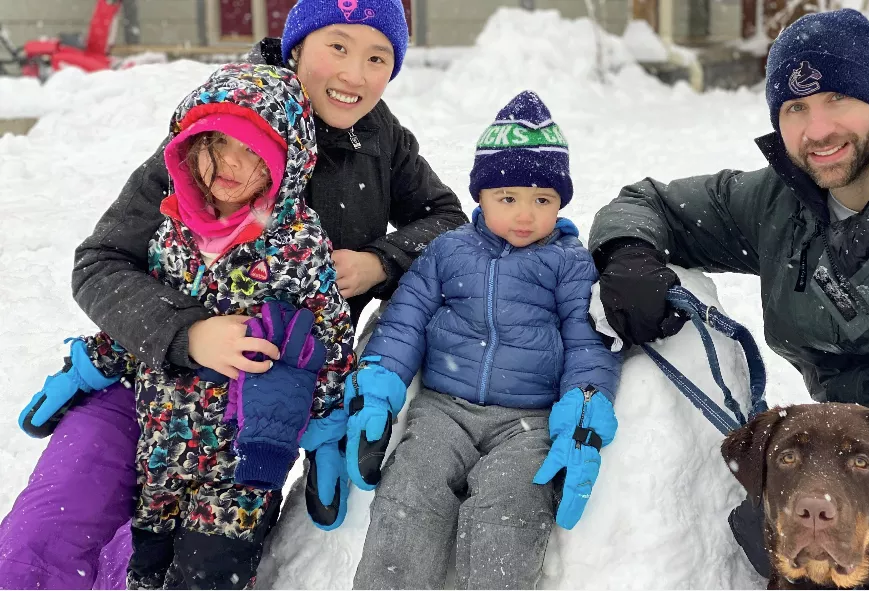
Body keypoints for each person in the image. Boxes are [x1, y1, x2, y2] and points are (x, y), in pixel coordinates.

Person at [0, 0, 467, 588]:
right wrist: (186, 333)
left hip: (258, 410)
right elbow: (100, 263)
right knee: (45, 535)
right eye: (338, 47)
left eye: (378, 56)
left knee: (196, 563)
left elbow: (446, 218)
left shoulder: (378, 140)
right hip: (146, 379)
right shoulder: (224, 121)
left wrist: (381, 261)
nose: (355, 75)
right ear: (297, 44)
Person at [588, 9, 869, 590]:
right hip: (838, 460)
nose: (818, 129)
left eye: (837, 98)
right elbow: (648, 203)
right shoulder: (779, 204)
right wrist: (629, 253)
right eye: (795, 109)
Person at [40, 63, 356, 589]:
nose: (231, 163)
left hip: (243, 460)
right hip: (161, 450)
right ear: (192, 143)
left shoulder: (296, 247)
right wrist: (91, 363)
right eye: (218, 144)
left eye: (254, 152)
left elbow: (326, 340)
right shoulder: (172, 231)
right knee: (147, 569)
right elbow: (152, 314)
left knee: (209, 575)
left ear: (287, 164)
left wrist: (324, 430)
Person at [345, 91, 621, 589]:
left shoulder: (569, 263)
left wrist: (583, 410)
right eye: (507, 198)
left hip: (527, 422)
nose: (524, 215)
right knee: (411, 490)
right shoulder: (447, 251)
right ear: (481, 196)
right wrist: (379, 385)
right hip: (442, 411)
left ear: (560, 203)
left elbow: (586, 342)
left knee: (511, 502)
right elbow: (406, 318)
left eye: (542, 200)